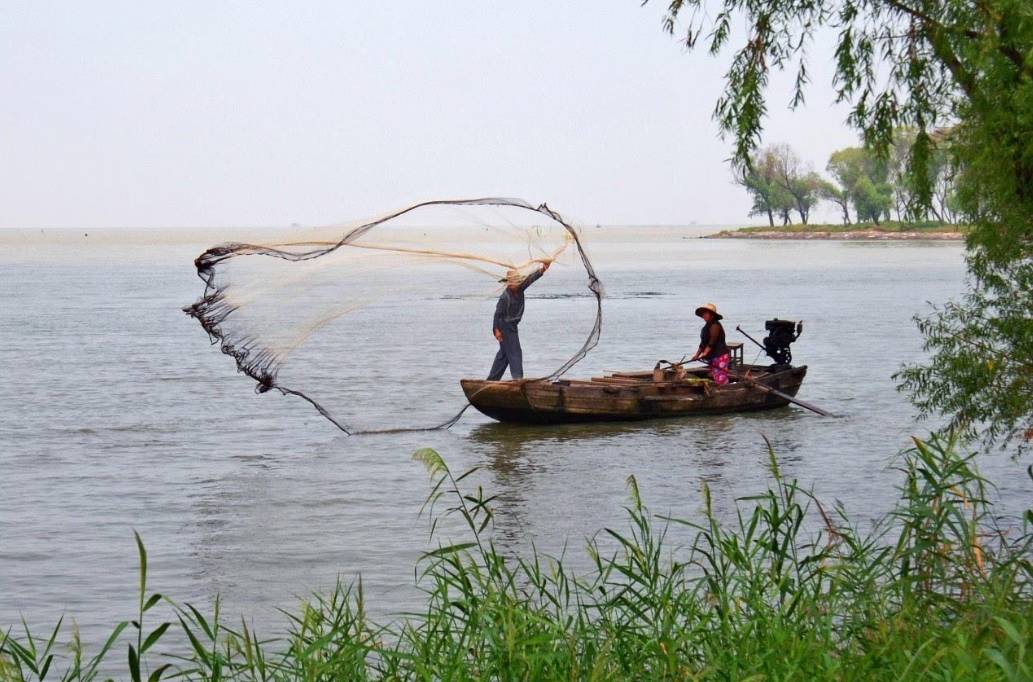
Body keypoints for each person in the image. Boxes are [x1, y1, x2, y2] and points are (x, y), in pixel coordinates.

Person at [487, 261, 550, 380]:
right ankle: (518, 378)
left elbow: (531, 279)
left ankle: (492, 380)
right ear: (508, 283)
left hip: (512, 326)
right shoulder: (504, 297)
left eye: (515, 282)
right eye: (511, 282)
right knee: (515, 352)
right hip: (504, 326)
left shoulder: (520, 288)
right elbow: (497, 315)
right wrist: (496, 331)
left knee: (504, 355)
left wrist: (543, 269)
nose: (513, 284)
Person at [689, 303, 731, 385]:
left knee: (721, 378)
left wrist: (705, 353)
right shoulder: (706, 326)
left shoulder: (715, 325)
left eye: (706, 313)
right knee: (716, 376)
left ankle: (724, 393)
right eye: (703, 314)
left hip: (720, 355)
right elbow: (703, 343)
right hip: (712, 356)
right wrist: (696, 355)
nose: (704, 315)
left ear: (711, 314)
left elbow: (712, 341)